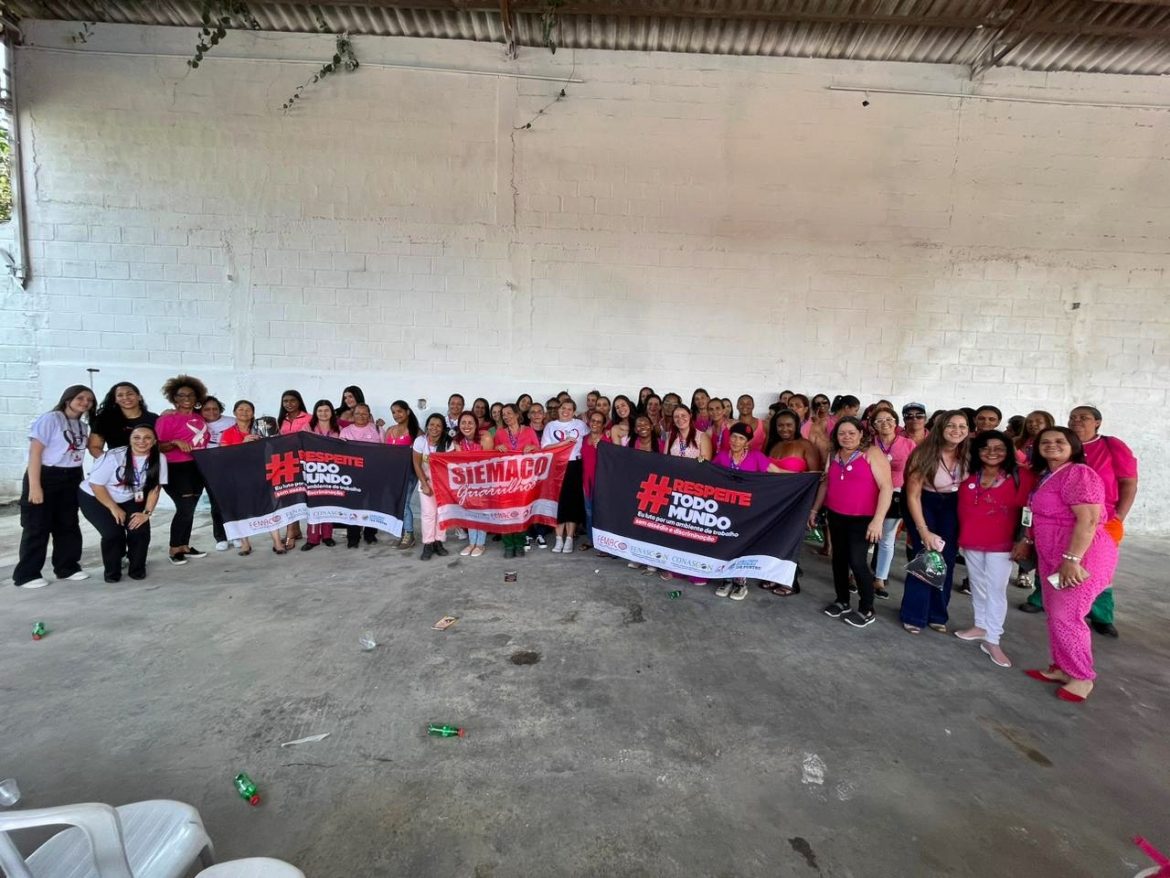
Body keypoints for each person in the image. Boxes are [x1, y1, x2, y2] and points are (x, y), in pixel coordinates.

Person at [1017, 427, 1118, 702]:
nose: (1052, 445)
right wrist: (1028, 540)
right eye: (1045, 442)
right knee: (1055, 612)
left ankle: (1082, 677)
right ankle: (1063, 667)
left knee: (1067, 615)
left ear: (1074, 446)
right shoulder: (1047, 475)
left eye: (1059, 441)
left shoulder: (1079, 473)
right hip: (1053, 553)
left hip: (1080, 554)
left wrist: (1073, 560)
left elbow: (1089, 520)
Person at [1020, 406, 1137, 638]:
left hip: (1097, 520)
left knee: (1091, 573)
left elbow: (1128, 482)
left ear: (1098, 422)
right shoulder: (1049, 464)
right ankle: (1043, 599)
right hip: (1054, 525)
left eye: (1084, 418)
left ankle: (1101, 615)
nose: (1076, 421)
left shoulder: (1110, 446)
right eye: (1073, 417)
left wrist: (1119, 516)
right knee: (1053, 570)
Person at [954, 430, 1032, 668]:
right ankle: (980, 626)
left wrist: (1025, 540)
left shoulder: (1022, 476)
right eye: (985, 448)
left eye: (999, 448)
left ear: (1009, 451)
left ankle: (993, 639)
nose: (992, 453)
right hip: (971, 539)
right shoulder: (968, 474)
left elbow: (1030, 511)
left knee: (996, 590)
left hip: (1002, 543)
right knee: (977, 584)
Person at [809, 417, 893, 628]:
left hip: (863, 519)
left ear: (861, 434)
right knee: (839, 560)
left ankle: (867, 608)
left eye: (851, 433)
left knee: (857, 562)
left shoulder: (872, 453)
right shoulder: (834, 454)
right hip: (836, 515)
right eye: (842, 433)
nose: (846, 437)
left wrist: (878, 520)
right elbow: (826, 484)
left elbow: (886, 487)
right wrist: (815, 509)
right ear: (836, 436)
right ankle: (842, 600)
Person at [13, 385, 96, 588]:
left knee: (68, 524)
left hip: (71, 476)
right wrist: (35, 486)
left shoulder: (82, 426)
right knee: (37, 526)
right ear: (68, 399)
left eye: (89, 400)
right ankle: (27, 575)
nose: (85, 402)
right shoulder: (51, 419)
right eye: (80, 398)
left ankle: (67, 567)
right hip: (46, 475)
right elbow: (35, 453)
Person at [900, 411, 970, 635]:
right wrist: (923, 531)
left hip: (953, 505)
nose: (957, 430)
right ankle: (914, 614)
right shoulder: (924, 453)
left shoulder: (969, 453)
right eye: (951, 425)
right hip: (924, 503)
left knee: (946, 560)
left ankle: (937, 614)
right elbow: (912, 496)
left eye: (962, 426)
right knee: (927, 556)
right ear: (940, 428)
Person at [79, 426, 166, 583]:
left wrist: (146, 513)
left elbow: (155, 489)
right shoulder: (113, 457)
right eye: (136, 437)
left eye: (147, 438)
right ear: (130, 440)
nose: (142, 441)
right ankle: (112, 571)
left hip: (128, 497)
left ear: (154, 441)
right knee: (113, 533)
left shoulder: (160, 459)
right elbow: (96, 485)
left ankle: (137, 568)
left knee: (139, 529)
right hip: (95, 496)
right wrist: (114, 508)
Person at [712, 422, 784, 601]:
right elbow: (708, 473)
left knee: (742, 543)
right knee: (724, 542)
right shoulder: (722, 456)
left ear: (747, 442)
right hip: (724, 509)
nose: (736, 441)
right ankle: (726, 579)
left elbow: (777, 472)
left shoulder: (756, 457)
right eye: (734, 437)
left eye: (741, 438)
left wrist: (807, 476)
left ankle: (740, 583)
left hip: (747, 511)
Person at [155, 376, 212, 566]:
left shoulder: (199, 418)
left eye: (191, 395)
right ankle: (174, 548)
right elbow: (157, 446)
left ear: (197, 398)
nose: (186, 398)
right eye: (181, 395)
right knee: (185, 507)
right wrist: (174, 443)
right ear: (174, 398)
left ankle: (184, 546)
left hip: (198, 466)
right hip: (176, 468)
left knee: (191, 507)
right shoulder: (167, 419)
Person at [219, 400, 286, 556]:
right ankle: (245, 544)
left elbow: (274, 447)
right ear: (234, 412)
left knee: (269, 506)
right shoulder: (228, 433)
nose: (244, 412)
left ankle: (277, 542)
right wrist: (242, 443)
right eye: (241, 409)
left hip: (262, 472)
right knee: (242, 509)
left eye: (248, 409)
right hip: (238, 475)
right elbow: (223, 456)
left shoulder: (262, 427)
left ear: (253, 413)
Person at [659, 405, 713, 585]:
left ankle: (696, 572)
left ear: (690, 416)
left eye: (683, 415)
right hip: (675, 489)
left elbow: (707, 465)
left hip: (695, 491)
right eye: (676, 416)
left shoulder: (702, 436)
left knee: (693, 531)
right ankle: (674, 567)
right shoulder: (671, 437)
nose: (680, 419)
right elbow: (665, 462)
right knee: (675, 529)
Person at [870, 408, 917, 601]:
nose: (885, 424)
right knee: (863, 536)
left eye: (889, 419)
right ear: (873, 426)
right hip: (869, 493)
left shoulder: (908, 444)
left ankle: (880, 578)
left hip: (896, 494)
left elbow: (915, 471)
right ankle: (855, 574)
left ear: (896, 422)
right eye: (879, 421)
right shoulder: (869, 443)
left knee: (887, 538)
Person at [493, 403, 540, 559]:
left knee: (521, 512)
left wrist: (532, 448)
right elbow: (491, 455)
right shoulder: (500, 433)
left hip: (523, 479)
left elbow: (540, 451)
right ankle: (508, 545)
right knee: (505, 512)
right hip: (504, 480)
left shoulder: (529, 431)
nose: (506, 416)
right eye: (503, 414)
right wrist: (497, 448)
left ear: (517, 414)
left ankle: (519, 544)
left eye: (509, 413)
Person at [543, 399, 588, 553]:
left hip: (575, 465)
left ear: (574, 412)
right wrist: (564, 443)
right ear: (558, 409)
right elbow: (545, 447)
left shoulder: (580, 425)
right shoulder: (551, 426)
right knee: (558, 502)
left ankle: (569, 538)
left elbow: (589, 440)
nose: (566, 411)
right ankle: (558, 538)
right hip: (557, 466)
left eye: (569, 409)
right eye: (563, 408)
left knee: (572, 503)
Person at [199, 396, 237, 552]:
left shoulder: (232, 421)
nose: (211, 412)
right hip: (209, 468)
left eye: (215, 408)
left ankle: (237, 534)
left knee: (234, 501)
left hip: (232, 467)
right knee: (217, 503)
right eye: (207, 409)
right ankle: (221, 537)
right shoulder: (197, 423)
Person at [453, 412, 493, 556]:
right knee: (469, 512)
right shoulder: (458, 441)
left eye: (470, 422)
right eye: (463, 423)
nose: (467, 426)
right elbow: (459, 464)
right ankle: (471, 543)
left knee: (481, 512)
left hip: (484, 481)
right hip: (467, 482)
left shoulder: (485, 437)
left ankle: (480, 544)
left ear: (476, 424)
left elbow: (489, 462)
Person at [414, 414, 452, 560]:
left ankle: (438, 542)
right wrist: (424, 484)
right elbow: (416, 464)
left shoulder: (448, 444)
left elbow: (450, 466)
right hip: (426, 482)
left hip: (443, 484)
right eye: (431, 424)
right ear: (427, 426)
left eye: (438, 425)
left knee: (441, 513)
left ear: (443, 429)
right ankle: (428, 544)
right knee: (428, 514)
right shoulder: (420, 441)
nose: (434, 428)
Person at [385, 400, 422, 549]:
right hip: (392, 473)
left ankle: (409, 534)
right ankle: (400, 533)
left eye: (399, 411)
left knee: (404, 504)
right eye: (393, 412)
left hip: (409, 474)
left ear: (407, 411)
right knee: (396, 504)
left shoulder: (417, 433)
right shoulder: (389, 430)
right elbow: (384, 452)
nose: (396, 415)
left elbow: (421, 456)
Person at [87, 382, 157, 456]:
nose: (125, 397)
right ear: (115, 400)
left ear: (139, 397)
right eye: (120, 395)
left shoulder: (154, 419)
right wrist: (111, 461)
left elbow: (161, 445)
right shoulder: (104, 420)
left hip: (150, 462)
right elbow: (94, 447)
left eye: (130, 394)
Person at [580, 410, 608, 553]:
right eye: (593, 421)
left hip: (602, 483)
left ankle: (605, 544)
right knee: (589, 512)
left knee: (602, 514)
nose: (595, 423)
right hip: (587, 481)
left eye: (598, 421)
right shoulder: (584, 438)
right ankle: (591, 540)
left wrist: (602, 448)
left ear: (603, 425)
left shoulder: (607, 440)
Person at [764, 409, 822, 474]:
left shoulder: (807, 446)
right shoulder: (773, 445)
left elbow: (816, 475)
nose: (784, 429)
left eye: (789, 425)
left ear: (796, 425)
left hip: (799, 481)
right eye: (780, 425)